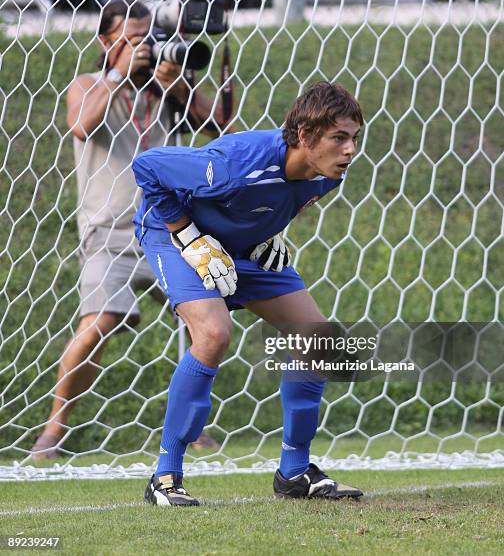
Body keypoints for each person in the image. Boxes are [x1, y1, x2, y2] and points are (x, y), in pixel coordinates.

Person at [132, 81, 365, 505]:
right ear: (304, 136)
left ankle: (295, 473)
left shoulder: (326, 176)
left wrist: (269, 231)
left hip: (240, 247)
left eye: (354, 139)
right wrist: (187, 236)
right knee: (213, 333)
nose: (350, 150)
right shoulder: (234, 163)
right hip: (173, 237)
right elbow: (147, 166)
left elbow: (276, 201)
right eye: (339, 138)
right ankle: (164, 477)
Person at [31, 0, 223, 460]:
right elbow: (80, 124)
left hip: (168, 231)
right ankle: (54, 429)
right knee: (99, 322)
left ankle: (191, 427)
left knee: (208, 324)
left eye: (149, 39)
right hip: (108, 233)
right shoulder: (87, 84)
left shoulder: (164, 91)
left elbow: (220, 129)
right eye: (134, 40)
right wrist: (117, 74)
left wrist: (180, 88)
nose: (144, 49)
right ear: (106, 41)